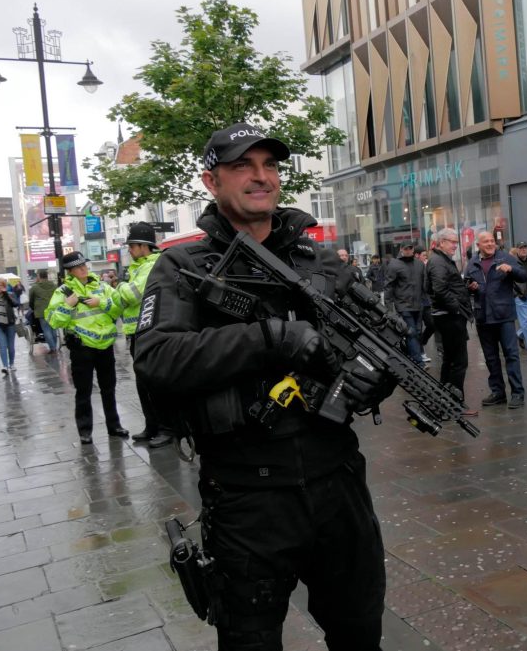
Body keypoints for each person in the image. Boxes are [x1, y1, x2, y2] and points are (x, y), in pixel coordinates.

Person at [134, 122, 394, 650]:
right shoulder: (182, 266)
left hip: (337, 482)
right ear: (212, 181)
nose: (261, 177)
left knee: (360, 631)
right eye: (242, 166)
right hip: (246, 494)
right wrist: (268, 339)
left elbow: (381, 341)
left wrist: (374, 379)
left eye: (270, 165)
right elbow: (156, 357)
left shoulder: (321, 261)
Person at [45, 252, 129, 445]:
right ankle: (85, 431)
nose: (84, 268)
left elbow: (118, 310)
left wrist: (103, 302)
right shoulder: (63, 292)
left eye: (84, 264)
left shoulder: (102, 287)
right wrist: (67, 306)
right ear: (70, 271)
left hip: (106, 346)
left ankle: (114, 426)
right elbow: (54, 321)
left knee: (109, 389)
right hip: (82, 348)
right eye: (79, 267)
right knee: (83, 391)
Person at [116, 222, 173, 449]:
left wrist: (119, 285)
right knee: (143, 383)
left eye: (132, 245)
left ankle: (168, 429)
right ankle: (152, 426)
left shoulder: (152, 266)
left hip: (150, 333)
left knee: (156, 382)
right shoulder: (138, 267)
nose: (129, 249)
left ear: (143, 246)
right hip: (136, 334)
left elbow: (132, 295)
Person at [465, 231, 527, 409]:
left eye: (492, 241)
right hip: (483, 317)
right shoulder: (472, 263)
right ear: (479, 245)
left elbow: (523, 276)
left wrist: (512, 269)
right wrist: (470, 288)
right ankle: (498, 392)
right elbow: (466, 286)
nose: (490, 244)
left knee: (511, 355)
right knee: (491, 358)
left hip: (504, 315)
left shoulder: (505, 257)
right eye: (486, 242)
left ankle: (517, 393)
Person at [425, 228, 476, 415]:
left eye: (456, 241)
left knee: (449, 359)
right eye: (452, 241)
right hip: (450, 316)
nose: (455, 245)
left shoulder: (441, 260)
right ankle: (455, 402)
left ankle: (444, 400)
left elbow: (443, 287)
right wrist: (456, 307)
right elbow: (439, 289)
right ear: (441, 243)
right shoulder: (438, 261)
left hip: (447, 315)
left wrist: (465, 288)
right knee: (459, 361)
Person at [385, 241, 425, 366]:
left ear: (413, 250)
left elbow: (424, 284)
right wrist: (389, 308)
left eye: (410, 248)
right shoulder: (394, 264)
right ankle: (419, 362)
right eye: (405, 248)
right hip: (403, 305)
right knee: (411, 332)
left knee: (417, 333)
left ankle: (411, 357)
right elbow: (389, 286)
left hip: (418, 305)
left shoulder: (419, 264)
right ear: (401, 249)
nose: (408, 250)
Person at [0, 277, 18, 374]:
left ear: (4, 286)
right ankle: (5, 366)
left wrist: (6, 294)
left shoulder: (10, 295)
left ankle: (12, 364)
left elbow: (15, 304)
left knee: (10, 346)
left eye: (0, 285)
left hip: (10, 324)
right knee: (2, 346)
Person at [28, 269, 58, 352]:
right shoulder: (54, 285)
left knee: (46, 330)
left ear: (39, 276)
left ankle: (53, 348)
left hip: (41, 311)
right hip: (53, 310)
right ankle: (54, 346)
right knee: (53, 329)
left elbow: (31, 300)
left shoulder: (35, 287)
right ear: (47, 276)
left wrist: (33, 308)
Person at [415, 246, 435, 362]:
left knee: (432, 324)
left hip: (426, 302)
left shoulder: (426, 266)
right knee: (418, 328)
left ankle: (422, 342)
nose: (425, 258)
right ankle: (421, 352)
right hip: (416, 302)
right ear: (417, 255)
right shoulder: (414, 267)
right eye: (424, 255)